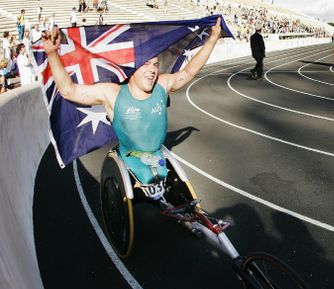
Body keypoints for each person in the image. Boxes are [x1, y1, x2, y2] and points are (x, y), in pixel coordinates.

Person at [40, 18, 223, 185]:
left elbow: (189, 72)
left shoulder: (162, 84)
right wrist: (52, 54)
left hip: (157, 157)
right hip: (129, 162)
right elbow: (69, 91)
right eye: (145, 64)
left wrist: (213, 39)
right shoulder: (113, 93)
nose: (152, 70)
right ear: (132, 70)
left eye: (155, 64)